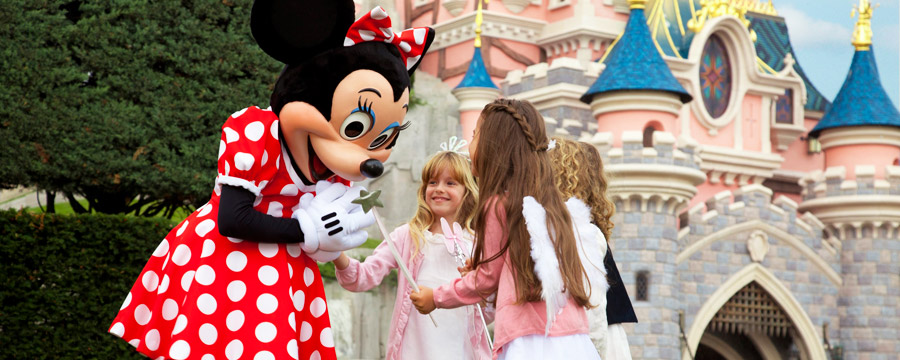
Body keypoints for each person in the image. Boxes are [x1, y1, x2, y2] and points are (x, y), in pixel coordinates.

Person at [410, 99, 602, 359]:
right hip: (573, 340)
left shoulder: (499, 205)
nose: (471, 143)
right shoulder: (554, 206)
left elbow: (486, 279)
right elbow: (520, 271)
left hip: (527, 342)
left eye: (476, 134)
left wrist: (437, 297)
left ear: (495, 146)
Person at [332, 149, 492, 360]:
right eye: (432, 182)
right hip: (414, 350)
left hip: (461, 350)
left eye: (450, 183)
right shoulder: (407, 236)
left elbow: (490, 310)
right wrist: (334, 250)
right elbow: (362, 277)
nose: (439, 189)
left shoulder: (479, 242)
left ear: (467, 190)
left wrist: (478, 289)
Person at [549, 138, 637, 360]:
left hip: (594, 342)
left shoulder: (583, 233)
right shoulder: (556, 231)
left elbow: (593, 307)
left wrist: (593, 352)